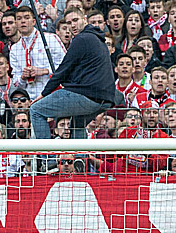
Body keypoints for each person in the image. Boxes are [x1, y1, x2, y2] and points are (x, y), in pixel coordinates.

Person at [28, 8, 116, 138]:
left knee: (36, 110)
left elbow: (64, 69)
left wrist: (44, 94)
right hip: (105, 98)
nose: (72, 25)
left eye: (75, 20)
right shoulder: (99, 40)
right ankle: (80, 158)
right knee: (77, 123)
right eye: (68, 23)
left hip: (88, 95)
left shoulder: (81, 38)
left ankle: (47, 157)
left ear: (84, 19)